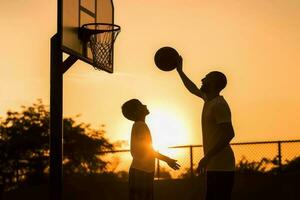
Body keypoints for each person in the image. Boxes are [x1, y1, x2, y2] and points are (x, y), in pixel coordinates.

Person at [176, 57, 235, 200]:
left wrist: (207, 157)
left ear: (213, 83)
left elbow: (229, 133)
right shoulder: (208, 100)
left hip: (222, 165)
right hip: (214, 164)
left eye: (206, 78)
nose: (202, 79)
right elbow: (192, 88)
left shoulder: (219, 105)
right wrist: (180, 71)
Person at [122, 99, 180, 200]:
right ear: (136, 111)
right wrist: (167, 160)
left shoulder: (139, 125)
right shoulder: (140, 126)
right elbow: (147, 150)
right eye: (141, 105)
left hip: (143, 171)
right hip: (141, 172)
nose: (145, 105)